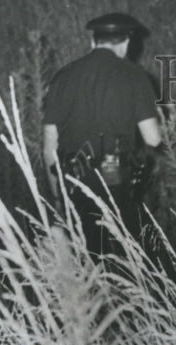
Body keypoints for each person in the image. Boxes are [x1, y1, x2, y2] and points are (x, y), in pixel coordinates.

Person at [42, 13, 163, 256]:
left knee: (85, 257)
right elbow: (153, 138)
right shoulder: (134, 75)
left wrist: (57, 195)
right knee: (124, 258)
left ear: (92, 41)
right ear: (126, 42)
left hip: (73, 181)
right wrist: (159, 116)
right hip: (115, 181)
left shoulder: (62, 77)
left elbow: (49, 145)